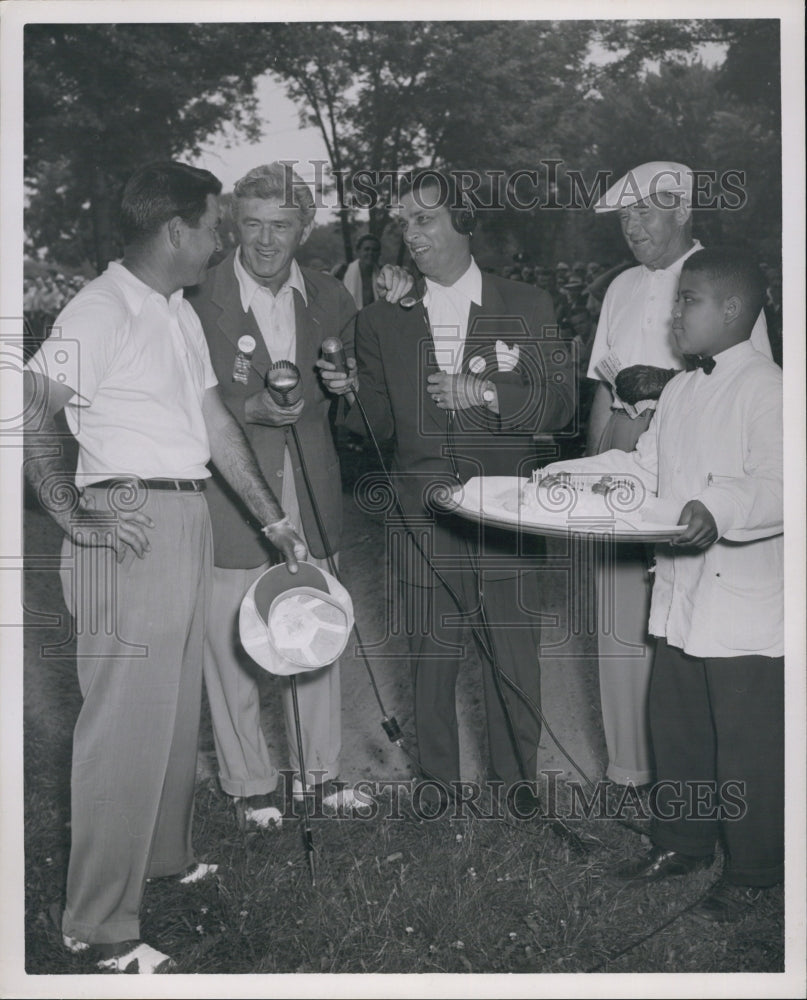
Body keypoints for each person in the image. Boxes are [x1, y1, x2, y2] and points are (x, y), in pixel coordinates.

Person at [23, 161, 307, 973]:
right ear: (176, 229)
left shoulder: (173, 310)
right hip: (130, 521)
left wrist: (273, 518)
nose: (224, 239)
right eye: (217, 224)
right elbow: (30, 406)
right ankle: (99, 925)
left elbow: (215, 424)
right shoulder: (102, 305)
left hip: (184, 513)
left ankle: (161, 860)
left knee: (176, 716)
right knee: (123, 729)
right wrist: (73, 514)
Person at [542, 247, 783, 923]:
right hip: (680, 597)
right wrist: (570, 476)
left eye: (689, 300)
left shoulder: (769, 390)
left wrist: (720, 511)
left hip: (743, 607)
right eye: (674, 299)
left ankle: (755, 868)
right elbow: (642, 468)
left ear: (732, 309)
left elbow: (778, 484)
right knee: (676, 728)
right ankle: (681, 841)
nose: (674, 313)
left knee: (746, 742)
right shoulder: (679, 390)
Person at [322, 171, 574, 811]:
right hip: (420, 517)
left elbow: (557, 406)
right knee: (430, 666)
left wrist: (486, 391)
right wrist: (346, 391)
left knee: (512, 662)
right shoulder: (381, 320)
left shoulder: (528, 303)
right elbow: (373, 426)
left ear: (465, 225)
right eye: (403, 221)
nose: (411, 233)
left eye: (425, 219)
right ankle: (436, 791)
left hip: (507, 517)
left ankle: (518, 794)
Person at [187, 163, 412, 826]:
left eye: (279, 226)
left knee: (313, 626)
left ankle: (320, 774)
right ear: (233, 222)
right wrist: (246, 406)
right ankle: (249, 782)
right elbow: (178, 402)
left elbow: (350, 409)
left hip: (310, 486)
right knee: (232, 636)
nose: (262, 240)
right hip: (230, 491)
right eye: (250, 224)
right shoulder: (196, 296)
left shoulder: (327, 297)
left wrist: (346, 390)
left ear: (304, 228)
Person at [584, 161, 772, 789]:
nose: (632, 225)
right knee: (623, 623)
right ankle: (629, 771)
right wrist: (584, 480)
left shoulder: (721, 282)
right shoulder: (621, 287)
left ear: (683, 210)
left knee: (688, 639)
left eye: (644, 210)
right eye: (625, 215)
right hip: (626, 465)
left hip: (692, 489)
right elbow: (602, 393)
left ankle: (692, 785)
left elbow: (740, 394)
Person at [342, 233, 383, 310]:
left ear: (379, 253)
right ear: (358, 251)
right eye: (366, 249)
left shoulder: (383, 276)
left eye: (374, 250)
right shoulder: (341, 272)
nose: (370, 253)